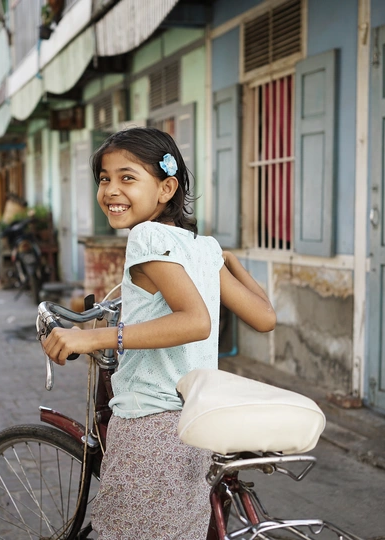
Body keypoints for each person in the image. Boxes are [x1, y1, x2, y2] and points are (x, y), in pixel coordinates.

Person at [42, 127, 276, 539]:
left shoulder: (146, 236)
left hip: (150, 427)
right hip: (193, 422)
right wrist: (232, 264)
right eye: (104, 178)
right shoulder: (199, 246)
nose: (112, 189)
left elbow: (194, 321)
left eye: (127, 177)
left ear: (166, 188)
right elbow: (264, 317)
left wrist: (91, 337)